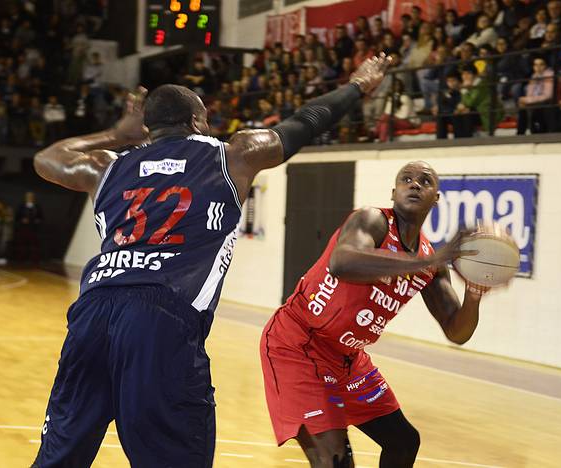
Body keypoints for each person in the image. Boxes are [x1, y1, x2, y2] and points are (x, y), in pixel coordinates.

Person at [30, 54, 393, 467]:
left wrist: (117, 133)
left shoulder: (107, 167)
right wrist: (358, 86)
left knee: (59, 456)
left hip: (92, 312)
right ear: (198, 121)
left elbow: (47, 158)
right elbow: (306, 121)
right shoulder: (233, 154)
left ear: (149, 127)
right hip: (163, 316)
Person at [260, 161, 491, 467]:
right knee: (336, 461)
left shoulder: (429, 261)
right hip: (298, 344)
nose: (415, 184)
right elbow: (343, 263)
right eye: (406, 179)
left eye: (425, 181)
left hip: (348, 359)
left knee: (404, 442)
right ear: (394, 192)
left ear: (436, 197)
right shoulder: (372, 221)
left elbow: (456, 331)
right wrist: (427, 262)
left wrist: (473, 294)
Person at [517, 56, 556, 134]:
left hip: (546, 102)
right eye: (535, 65)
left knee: (531, 105)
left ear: (546, 65)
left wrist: (529, 100)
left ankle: (534, 131)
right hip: (535, 102)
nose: (538, 67)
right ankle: (520, 133)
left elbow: (548, 95)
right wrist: (526, 100)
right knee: (522, 105)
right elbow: (529, 93)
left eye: (541, 64)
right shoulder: (534, 76)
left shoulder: (550, 74)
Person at [15, 191, 43, 262]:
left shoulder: (37, 206)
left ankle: (33, 259)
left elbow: (41, 217)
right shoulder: (22, 206)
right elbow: (17, 217)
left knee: (33, 244)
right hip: (23, 228)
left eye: (31, 196)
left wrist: (38, 220)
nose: (30, 198)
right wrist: (22, 220)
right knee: (22, 244)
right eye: (28, 196)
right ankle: (21, 259)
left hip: (34, 228)